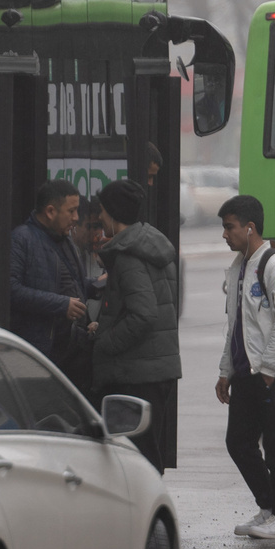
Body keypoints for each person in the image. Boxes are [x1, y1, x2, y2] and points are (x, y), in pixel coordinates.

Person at [215, 194, 275, 541]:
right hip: (246, 373)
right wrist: (225, 371)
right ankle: (267, 507)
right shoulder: (238, 267)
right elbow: (235, 325)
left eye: (229, 227)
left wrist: (268, 370)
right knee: (238, 442)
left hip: (274, 374)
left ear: (250, 228)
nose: (225, 234)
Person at [89, 179, 181, 470]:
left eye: (102, 211)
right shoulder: (152, 245)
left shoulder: (129, 255)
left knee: (138, 458)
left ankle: (150, 513)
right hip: (155, 369)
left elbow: (143, 314)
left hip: (137, 373)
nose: (99, 217)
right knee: (146, 450)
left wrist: (104, 341)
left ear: (114, 213)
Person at [6, 178, 90, 380]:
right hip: (42, 353)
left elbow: (67, 283)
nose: (76, 218)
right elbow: (11, 290)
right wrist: (61, 305)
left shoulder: (66, 240)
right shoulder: (22, 239)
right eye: (71, 211)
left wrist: (94, 285)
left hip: (72, 351)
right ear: (51, 211)